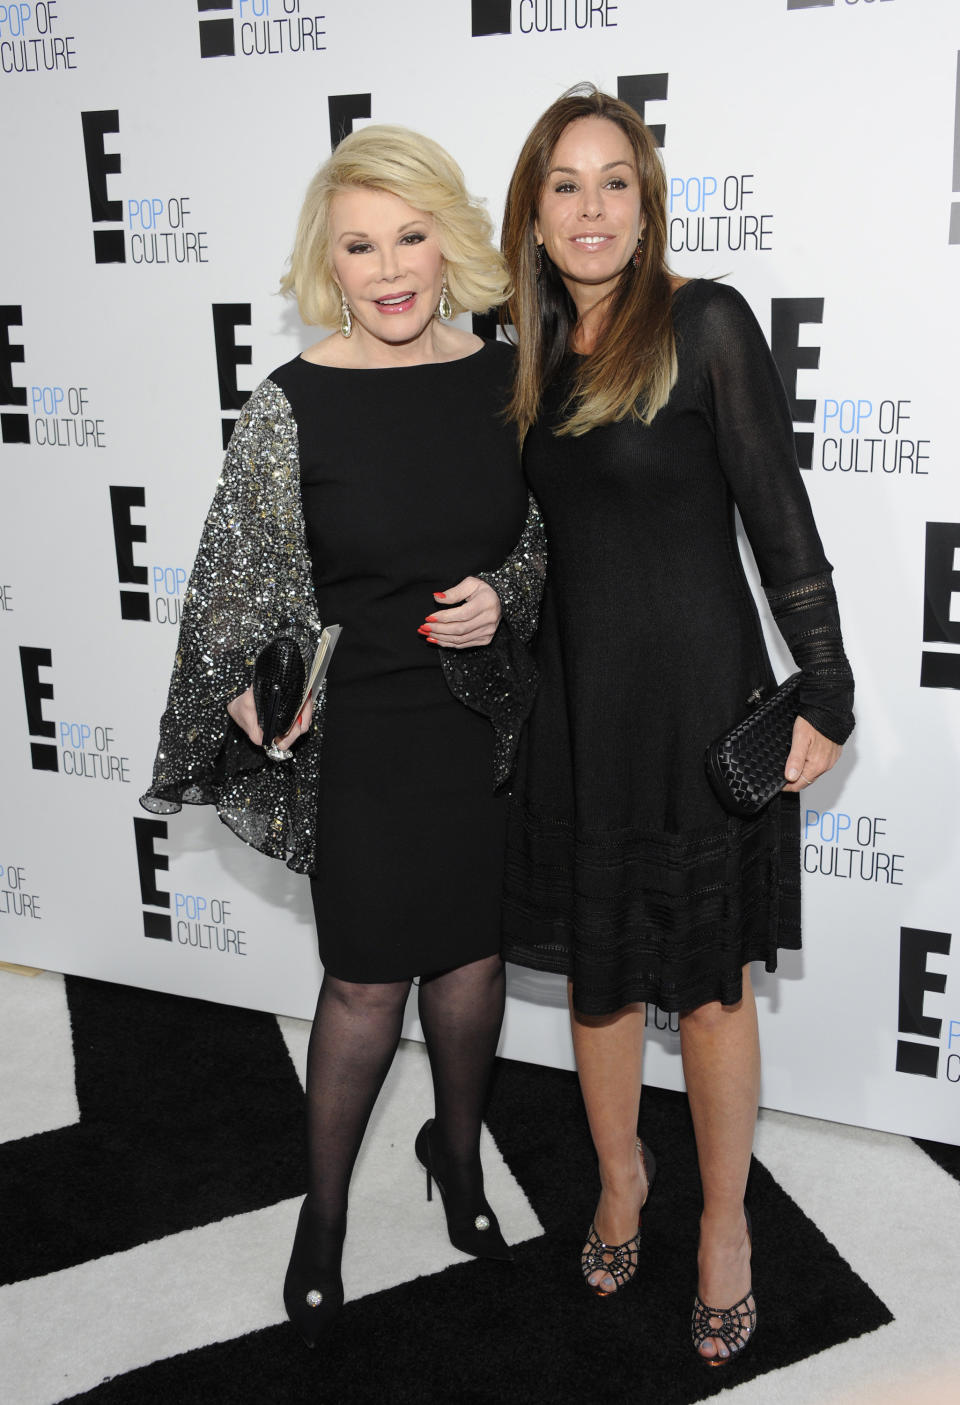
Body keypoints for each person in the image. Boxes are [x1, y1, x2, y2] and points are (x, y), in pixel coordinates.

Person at [141, 125, 545, 1348]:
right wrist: (254, 697)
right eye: (359, 245)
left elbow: (544, 537)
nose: (388, 268)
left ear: (449, 242)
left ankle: (459, 1156)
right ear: (329, 262)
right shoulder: (291, 404)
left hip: (479, 726)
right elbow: (229, 594)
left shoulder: (507, 375)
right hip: (364, 735)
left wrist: (505, 592)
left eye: (410, 236)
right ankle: (323, 1216)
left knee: (473, 966)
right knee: (368, 980)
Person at [499, 85, 854, 1366]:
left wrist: (828, 685)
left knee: (708, 993)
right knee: (597, 985)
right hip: (578, 715)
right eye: (564, 186)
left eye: (614, 181)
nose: (591, 208)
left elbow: (780, 516)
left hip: (701, 711)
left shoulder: (704, 323)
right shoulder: (520, 357)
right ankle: (617, 1180)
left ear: (646, 203)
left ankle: (723, 1225)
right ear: (533, 217)